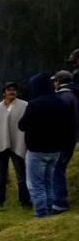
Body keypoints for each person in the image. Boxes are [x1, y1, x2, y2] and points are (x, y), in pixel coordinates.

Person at [18, 73, 74, 218]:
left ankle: (41, 214)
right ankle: (49, 210)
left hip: (36, 150)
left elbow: (22, 125)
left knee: (36, 185)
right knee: (49, 182)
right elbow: (67, 125)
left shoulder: (34, 104)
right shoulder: (61, 102)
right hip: (55, 150)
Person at [52, 71, 79, 213]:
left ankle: (60, 203)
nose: (54, 83)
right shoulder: (74, 95)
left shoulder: (63, 97)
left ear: (59, 81)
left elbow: (58, 122)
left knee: (57, 170)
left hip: (61, 140)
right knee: (59, 169)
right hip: (71, 138)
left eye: (55, 80)